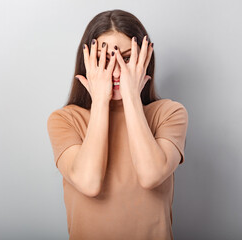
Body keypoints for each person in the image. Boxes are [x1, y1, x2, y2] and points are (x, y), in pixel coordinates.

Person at [47, 9, 188, 240]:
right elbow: (89, 182)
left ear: (144, 59)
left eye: (126, 58)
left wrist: (132, 96)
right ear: (88, 62)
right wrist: (100, 101)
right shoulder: (65, 120)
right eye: (103, 59)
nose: (115, 70)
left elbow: (151, 175)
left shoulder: (169, 113)